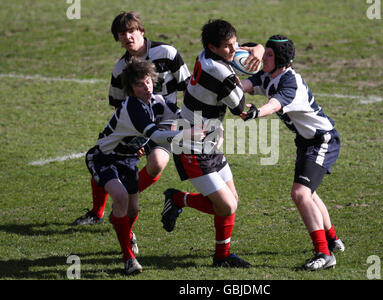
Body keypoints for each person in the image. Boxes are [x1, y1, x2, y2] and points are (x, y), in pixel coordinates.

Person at [160, 19, 264, 268]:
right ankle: (177, 200)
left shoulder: (206, 54)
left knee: (232, 201)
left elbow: (241, 51)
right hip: (191, 145)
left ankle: (221, 257)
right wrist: (256, 109)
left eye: (234, 43)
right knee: (226, 205)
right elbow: (240, 109)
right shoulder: (221, 73)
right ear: (213, 47)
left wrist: (257, 48)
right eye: (227, 46)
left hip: (210, 138)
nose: (234, 49)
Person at [85, 58, 202, 275]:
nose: (146, 87)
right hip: (104, 158)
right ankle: (128, 259)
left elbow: (181, 117)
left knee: (133, 209)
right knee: (119, 196)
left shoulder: (157, 101)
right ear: (131, 88)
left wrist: (208, 124)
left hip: (128, 160)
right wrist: (187, 134)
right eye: (140, 84)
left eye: (148, 82)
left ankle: (125, 231)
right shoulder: (132, 107)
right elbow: (157, 135)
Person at [73, 11, 191, 226]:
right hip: (137, 122)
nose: (127, 37)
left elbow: (188, 87)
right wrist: (133, 136)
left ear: (141, 31)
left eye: (131, 31)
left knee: (156, 163)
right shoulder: (120, 69)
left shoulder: (167, 52)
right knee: (105, 155)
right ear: (117, 38)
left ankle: (125, 197)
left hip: (164, 119)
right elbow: (118, 105)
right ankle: (96, 212)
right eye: (121, 33)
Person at [239, 35, 345, 271]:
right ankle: (332, 239)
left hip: (322, 140)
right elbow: (244, 85)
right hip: (306, 142)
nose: (264, 58)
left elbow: (274, 105)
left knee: (300, 193)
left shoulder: (290, 83)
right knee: (309, 193)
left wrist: (256, 113)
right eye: (265, 52)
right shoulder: (268, 75)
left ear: (281, 60)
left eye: (269, 55)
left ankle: (324, 254)